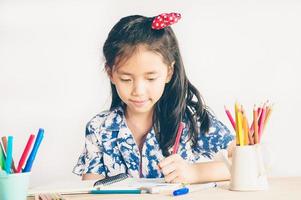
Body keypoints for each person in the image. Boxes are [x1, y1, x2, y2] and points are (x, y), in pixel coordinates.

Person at [73, 13, 235, 184]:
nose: (138, 91)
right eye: (126, 79)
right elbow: (90, 189)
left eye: (150, 78)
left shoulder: (191, 119)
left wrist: (195, 173)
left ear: (169, 72)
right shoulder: (99, 129)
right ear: (110, 73)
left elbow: (249, 161)